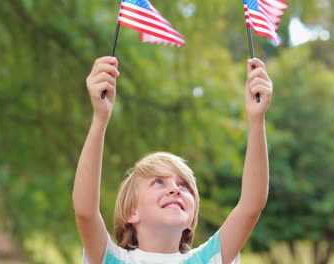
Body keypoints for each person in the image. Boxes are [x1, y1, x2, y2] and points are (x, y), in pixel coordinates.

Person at [73, 56, 273, 264]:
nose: (175, 189)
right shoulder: (111, 259)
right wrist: (100, 118)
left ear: (192, 215)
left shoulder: (207, 259)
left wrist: (256, 120)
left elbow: (252, 204)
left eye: (184, 185)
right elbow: (85, 212)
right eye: (158, 181)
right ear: (131, 211)